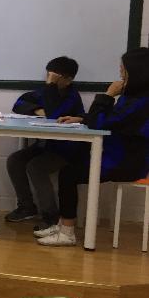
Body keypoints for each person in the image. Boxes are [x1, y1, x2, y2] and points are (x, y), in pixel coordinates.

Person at [36, 47, 149, 247]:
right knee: (69, 170)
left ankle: (67, 232)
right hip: (116, 156)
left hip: (127, 162)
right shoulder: (134, 98)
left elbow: (101, 123)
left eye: (123, 70)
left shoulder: (141, 103)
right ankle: (62, 225)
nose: (120, 73)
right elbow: (111, 120)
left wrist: (108, 95)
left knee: (68, 174)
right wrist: (81, 118)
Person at [5, 56, 85, 227]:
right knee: (15, 160)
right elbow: (19, 103)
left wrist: (50, 88)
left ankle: (50, 216)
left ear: (68, 79)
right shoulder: (44, 91)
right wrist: (37, 110)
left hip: (67, 149)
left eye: (55, 77)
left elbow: (54, 113)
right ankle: (26, 207)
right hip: (46, 146)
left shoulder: (72, 96)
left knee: (36, 167)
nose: (50, 80)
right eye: (48, 76)